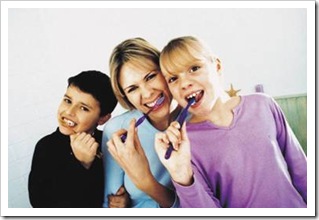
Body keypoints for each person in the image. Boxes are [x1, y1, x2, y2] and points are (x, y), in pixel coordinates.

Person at [154, 36, 307, 208]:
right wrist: (182, 175)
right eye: (173, 79)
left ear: (217, 66)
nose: (184, 83)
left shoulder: (263, 105)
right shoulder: (184, 144)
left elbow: (302, 170)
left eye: (194, 68)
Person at [28, 70, 129, 208]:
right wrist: (80, 164)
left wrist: (124, 200)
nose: (69, 111)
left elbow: (116, 186)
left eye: (83, 108)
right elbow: (40, 204)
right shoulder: (46, 147)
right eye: (68, 101)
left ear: (103, 118)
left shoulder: (108, 143)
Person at [102, 38, 181, 208]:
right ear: (125, 97)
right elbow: (111, 204)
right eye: (132, 89)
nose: (147, 93)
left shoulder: (197, 121)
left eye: (151, 76)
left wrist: (145, 181)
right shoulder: (117, 131)